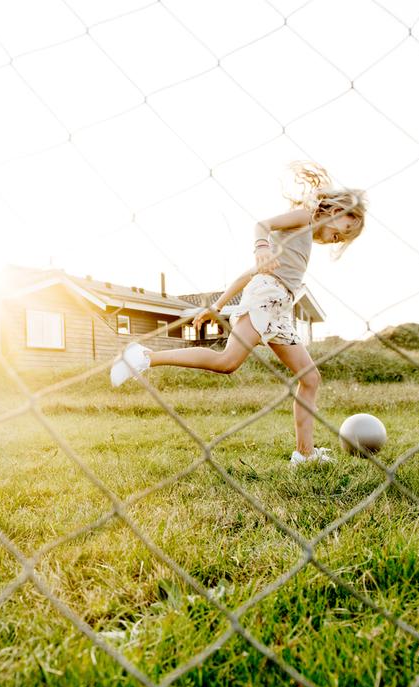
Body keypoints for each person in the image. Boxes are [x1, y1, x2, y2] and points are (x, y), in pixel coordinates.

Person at [110, 162, 366, 466]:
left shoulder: (301, 240)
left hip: (278, 308)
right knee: (227, 362)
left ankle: (305, 454)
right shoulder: (304, 218)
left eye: (343, 239)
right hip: (266, 298)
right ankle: (144, 356)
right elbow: (262, 225)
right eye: (344, 229)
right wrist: (261, 247)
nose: (338, 238)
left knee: (309, 377)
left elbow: (250, 273)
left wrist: (217, 306)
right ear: (335, 210)